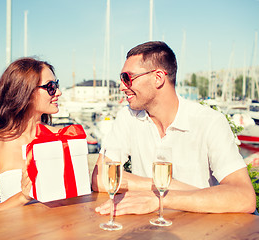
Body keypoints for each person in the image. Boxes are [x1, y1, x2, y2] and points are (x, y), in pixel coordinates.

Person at [92, 41, 256, 215]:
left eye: (127, 77)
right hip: (147, 229)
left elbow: (244, 197)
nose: (121, 86)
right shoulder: (128, 117)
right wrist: (167, 185)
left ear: (158, 78)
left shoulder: (209, 122)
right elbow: (100, 178)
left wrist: (162, 198)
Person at [0, 57, 62, 217]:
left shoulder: (59, 137)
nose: (59, 92)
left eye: (56, 85)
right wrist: (23, 197)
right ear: (26, 92)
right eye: (50, 87)